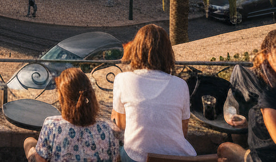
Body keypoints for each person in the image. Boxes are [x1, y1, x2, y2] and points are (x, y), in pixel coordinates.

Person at [111, 23, 194, 162]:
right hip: (176, 157)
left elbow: (120, 125)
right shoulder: (180, 85)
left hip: (136, 156)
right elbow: (183, 130)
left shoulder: (122, 79)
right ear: (167, 53)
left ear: (136, 50)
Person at [24, 67, 120, 162]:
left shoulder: (52, 125)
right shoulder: (107, 129)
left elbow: (40, 160)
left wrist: (31, 151)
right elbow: (115, 158)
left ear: (62, 98)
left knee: (29, 141)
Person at [218, 29, 276, 162]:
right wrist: (248, 123)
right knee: (225, 149)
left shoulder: (269, 96)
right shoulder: (251, 79)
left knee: (224, 151)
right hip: (258, 151)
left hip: (261, 157)